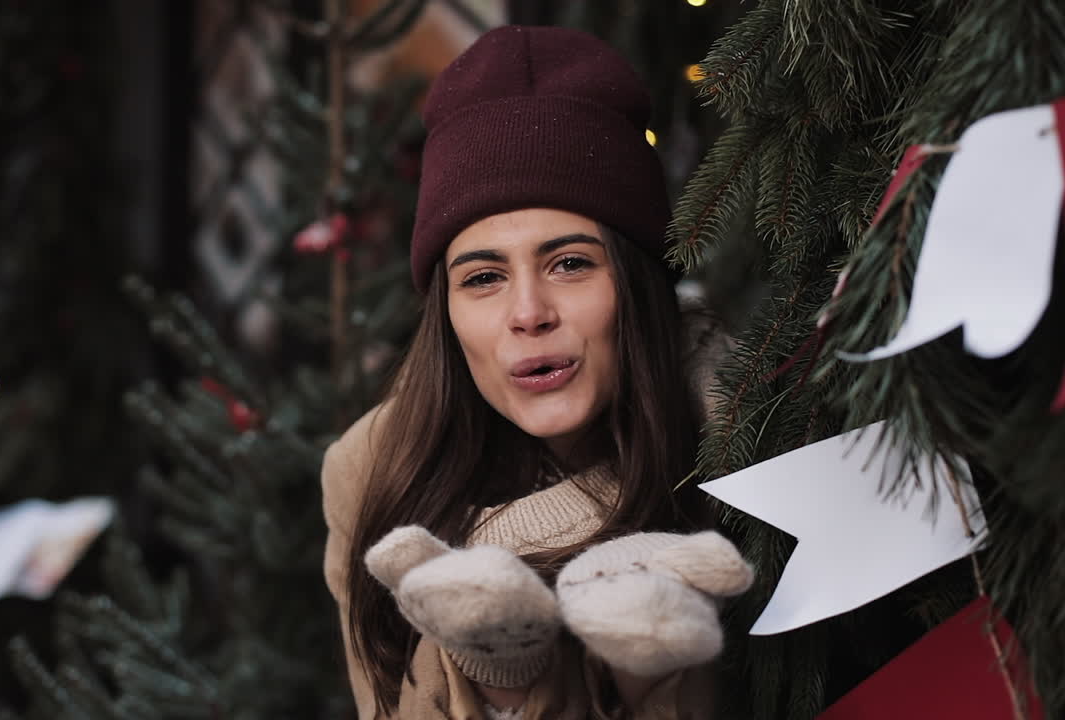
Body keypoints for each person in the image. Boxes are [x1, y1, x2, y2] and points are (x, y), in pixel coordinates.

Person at [321, 25, 752, 720]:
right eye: (484, 277)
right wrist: (496, 683)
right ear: (447, 310)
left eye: (570, 263)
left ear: (636, 282)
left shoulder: (749, 441)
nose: (528, 313)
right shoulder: (376, 476)